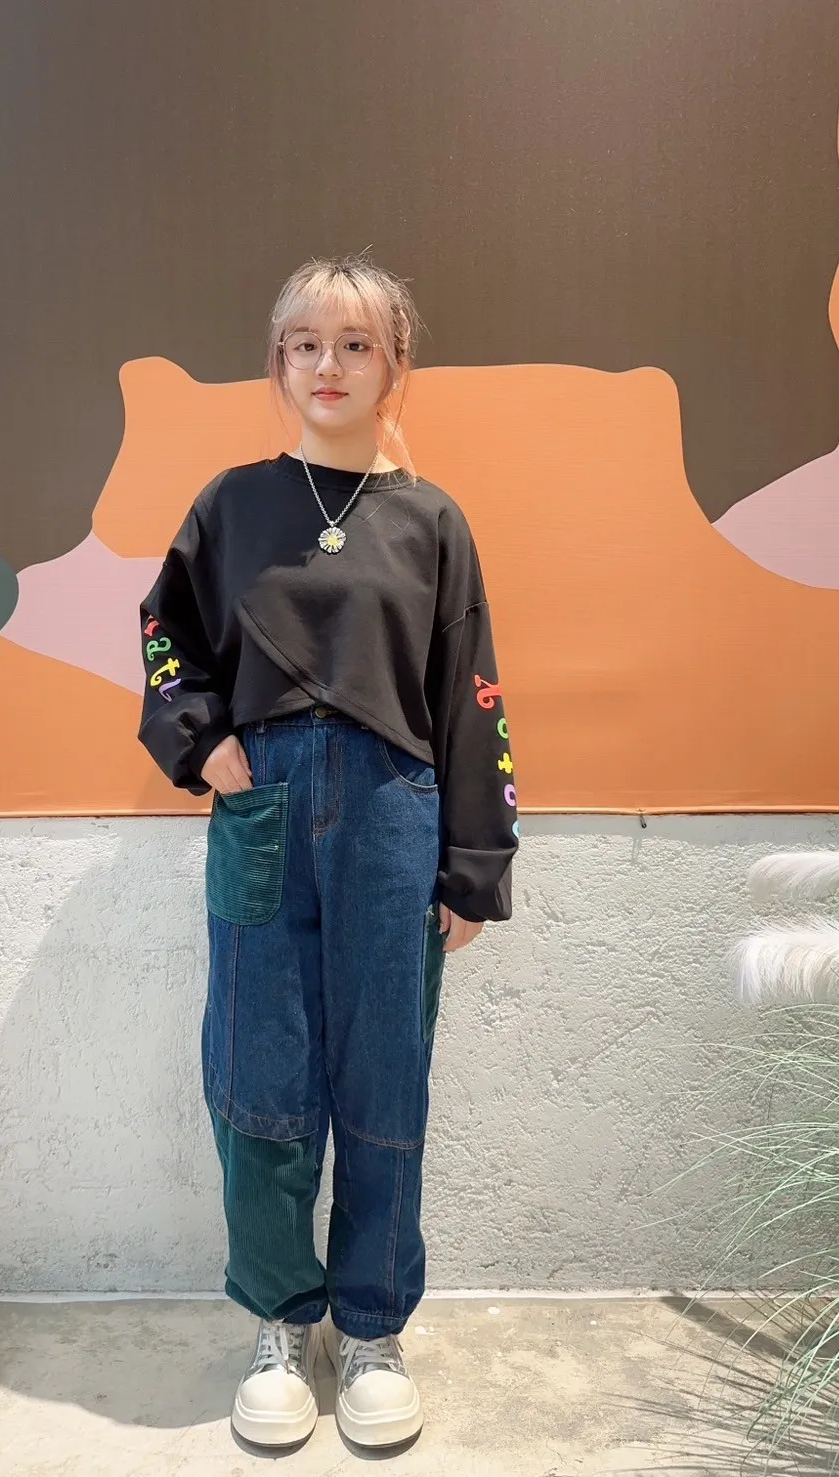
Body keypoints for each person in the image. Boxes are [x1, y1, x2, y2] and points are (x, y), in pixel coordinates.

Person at [138, 252, 518, 1451]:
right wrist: (205, 744)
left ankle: (369, 1328)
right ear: (278, 362)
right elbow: (163, 634)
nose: (328, 365)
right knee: (258, 1077)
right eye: (304, 342)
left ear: (395, 363)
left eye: (355, 343)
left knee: (382, 1078)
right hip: (262, 809)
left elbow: (471, 694)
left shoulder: (431, 521)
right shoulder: (231, 505)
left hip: (392, 815)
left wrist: (472, 861)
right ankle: (278, 1315)